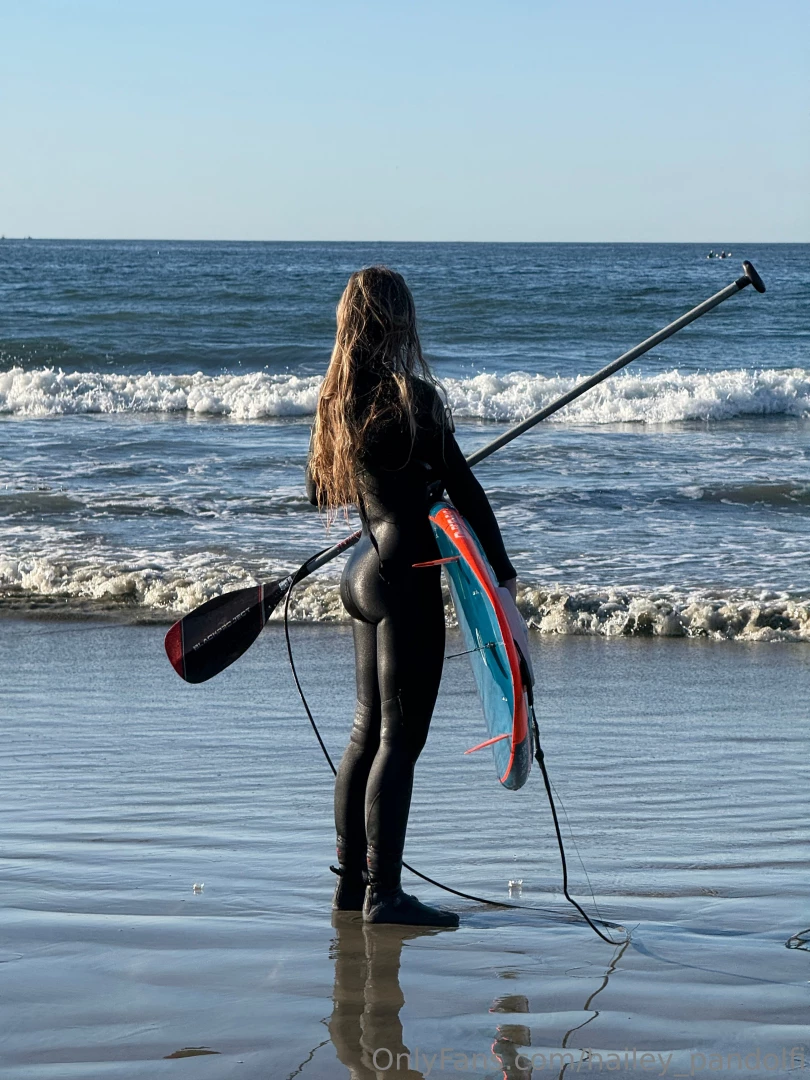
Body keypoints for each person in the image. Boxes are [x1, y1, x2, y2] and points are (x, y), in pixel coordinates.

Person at [307, 266, 516, 927]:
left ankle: (349, 887)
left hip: (365, 572)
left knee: (364, 735)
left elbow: (325, 495)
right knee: (400, 740)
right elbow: (466, 491)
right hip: (407, 574)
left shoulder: (338, 403)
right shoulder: (413, 398)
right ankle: (385, 894)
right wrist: (503, 577)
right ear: (400, 324)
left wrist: (401, 482)